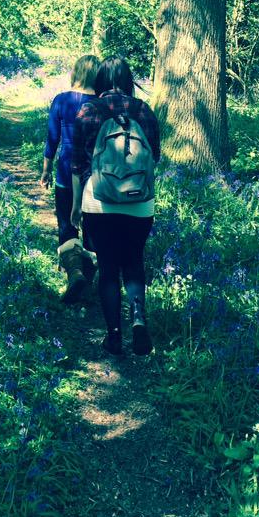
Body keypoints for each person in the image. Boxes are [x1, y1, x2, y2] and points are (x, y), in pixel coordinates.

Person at [70, 56, 160, 356]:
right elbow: (154, 157)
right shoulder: (144, 111)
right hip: (140, 204)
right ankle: (138, 320)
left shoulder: (89, 110)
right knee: (133, 262)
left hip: (99, 202)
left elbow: (77, 164)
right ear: (127, 80)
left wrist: (75, 206)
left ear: (100, 80)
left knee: (108, 267)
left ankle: (114, 336)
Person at [40, 54, 100, 303]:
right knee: (93, 227)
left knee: (67, 224)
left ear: (76, 73)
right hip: (95, 175)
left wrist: (46, 169)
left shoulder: (62, 100)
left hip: (66, 171)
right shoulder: (101, 105)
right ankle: (91, 276)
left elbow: (52, 138)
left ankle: (74, 273)